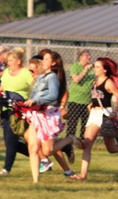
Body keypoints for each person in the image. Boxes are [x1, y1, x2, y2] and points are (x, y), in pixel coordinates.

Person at [69, 57, 118, 181]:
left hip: (105, 115)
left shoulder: (109, 82)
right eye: (95, 66)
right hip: (94, 114)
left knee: (111, 148)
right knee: (87, 145)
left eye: (98, 67)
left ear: (105, 70)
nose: (95, 69)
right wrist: (91, 104)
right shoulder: (95, 82)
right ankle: (83, 175)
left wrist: (115, 112)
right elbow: (97, 98)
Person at [22, 50, 78, 183]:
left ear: (53, 63)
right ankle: (36, 181)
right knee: (33, 147)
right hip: (37, 114)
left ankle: (69, 139)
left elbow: (53, 96)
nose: (43, 61)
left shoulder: (52, 76)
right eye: (43, 59)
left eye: (46, 59)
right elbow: (36, 95)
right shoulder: (41, 77)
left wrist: (36, 101)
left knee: (47, 150)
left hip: (48, 114)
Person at [0, 48, 34, 176]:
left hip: (19, 109)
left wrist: (32, 100)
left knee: (11, 139)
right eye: (7, 60)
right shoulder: (7, 72)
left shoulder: (26, 73)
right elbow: (3, 85)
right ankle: (40, 157)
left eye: (11, 60)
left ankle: (6, 169)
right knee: (9, 141)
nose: (8, 63)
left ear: (18, 61)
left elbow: (34, 86)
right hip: (6, 108)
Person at [63, 49, 94, 161]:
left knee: (85, 130)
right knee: (71, 127)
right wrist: (85, 70)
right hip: (75, 101)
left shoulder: (93, 69)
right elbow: (76, 79)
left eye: (89, 56)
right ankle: (68, 150)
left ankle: (84, 153)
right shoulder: (76, 67)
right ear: (80, 57)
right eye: (86, 56)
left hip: (87, 103)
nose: (89, 58)